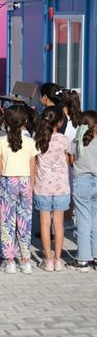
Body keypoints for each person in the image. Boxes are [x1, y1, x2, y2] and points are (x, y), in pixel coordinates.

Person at [0, 105, 39, 274]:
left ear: (6, 122)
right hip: (25, 181)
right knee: (25, 221)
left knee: (6, 221)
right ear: (25, 121)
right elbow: (33, 167)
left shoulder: (0, 142)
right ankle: (26, 260)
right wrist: (31, 186)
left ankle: (10, 260)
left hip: (7, 181)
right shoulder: (30, 142)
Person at [33, 106, 70, 271]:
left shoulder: (38, 138)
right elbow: (69, 159)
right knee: (59, 224)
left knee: (44, 224)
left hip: (42, 187)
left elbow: (34, 163)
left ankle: (47, 260)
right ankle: (58, 259)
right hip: (61, 187)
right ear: (60, 122)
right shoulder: (63, 139)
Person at [70, 110, 97, 272]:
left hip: (82, 181)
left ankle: (82, 260)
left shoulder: (75, 141)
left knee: (83, 221)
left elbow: (71, 159)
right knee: (95, 221)